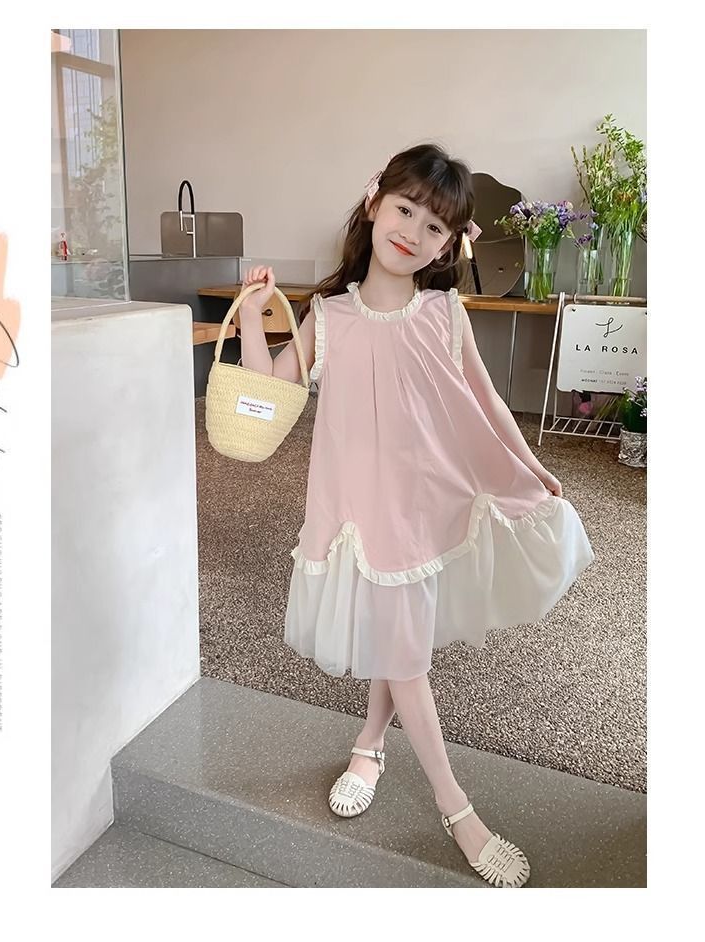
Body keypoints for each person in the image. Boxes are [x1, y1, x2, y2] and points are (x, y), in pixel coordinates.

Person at [236, 143, 595, 888]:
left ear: (447, 245)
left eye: (435, 226)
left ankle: (377, 752)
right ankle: (451, 805)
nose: (413, 232)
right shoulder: (328, 316)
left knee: (397, 643)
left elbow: (487, 402)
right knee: (400, 646)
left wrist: (530, 466)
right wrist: (252, 310)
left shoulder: (442, 311)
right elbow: (270, 385)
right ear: (374, 205)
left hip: (427, 501)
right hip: (358, 508)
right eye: (404, 210)